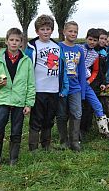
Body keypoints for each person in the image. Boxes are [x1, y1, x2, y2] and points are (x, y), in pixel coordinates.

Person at [0, 28, 35, 168]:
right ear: (6, 41)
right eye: (11, 40)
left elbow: (31, 84)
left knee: (16, 131)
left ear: (21, 43)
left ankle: (13, 159)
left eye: (17, 40)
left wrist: (29, 103)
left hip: (19, 102)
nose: (14, 43)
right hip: (2, 100)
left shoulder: (26, 61)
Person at [25, 14, 68, 151]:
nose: (45, 32)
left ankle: (46, 145)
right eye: (42, 29)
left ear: (52, 30)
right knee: (37, 119)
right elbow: (26, 67)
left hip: (54, 89)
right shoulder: (32, 46)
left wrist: (63, 87)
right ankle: (33, 147)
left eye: (48, 29)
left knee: (49, 119)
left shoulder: (56, 46)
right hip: (38, 89)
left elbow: (63, 67)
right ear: (37, 31)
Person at [79, 28, 109, 139]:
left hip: (87, 83)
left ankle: (104, 131)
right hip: (75, 83)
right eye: (90, 39)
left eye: (95, 40)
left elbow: (96, 70)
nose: (92, 42)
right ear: (86, 38)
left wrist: (89, 81)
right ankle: (78, 132)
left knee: (97, 106)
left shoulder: (95, 54)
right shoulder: (78, 49)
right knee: (79, 107)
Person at [58, 21, 87, 151]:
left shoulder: (79, 50)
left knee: (77, 113)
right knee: (62, 115)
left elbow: (81, 72)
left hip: (75, 88)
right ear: (64, 32)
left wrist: (83, 91)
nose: (73, 34)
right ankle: (63, 141)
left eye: (75, 31)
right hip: (61, 88)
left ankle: (74, 141)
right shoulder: (58, 47)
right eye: (70, 31)